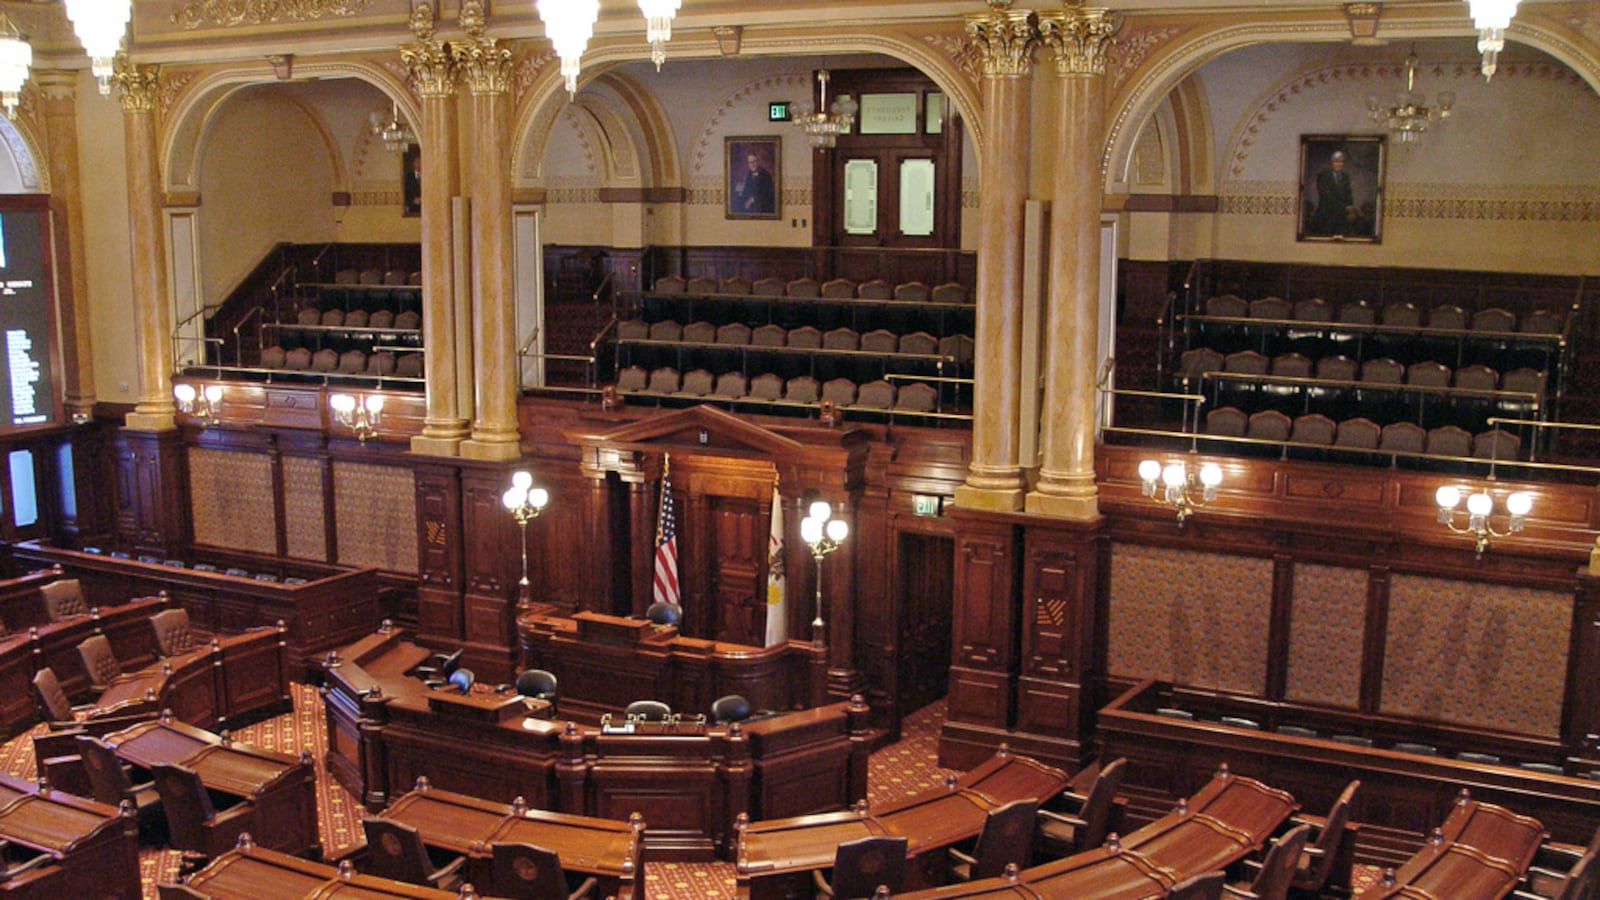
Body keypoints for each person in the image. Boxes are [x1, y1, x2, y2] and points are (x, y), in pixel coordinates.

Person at [1307, 150, 1368, 237]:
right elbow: (1325, 195)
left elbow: (1348, 193)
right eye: (1336, 161)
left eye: (1341, 162)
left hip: (1341, 215)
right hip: (1326, 213)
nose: (1338, 164)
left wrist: (1350, 206)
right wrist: (1344, 205)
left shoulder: (1346, 177)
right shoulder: (1323, 176)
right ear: (1332, 163)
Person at [732, 151, 776, 215]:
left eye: (754, 161)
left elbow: (767, 194)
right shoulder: (748, 174)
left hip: (763, 208)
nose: (752, 164)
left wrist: (752, 200)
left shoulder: (766, 174)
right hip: (751, 208)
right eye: (750, 162)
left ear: (758, 161)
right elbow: (746, 190)